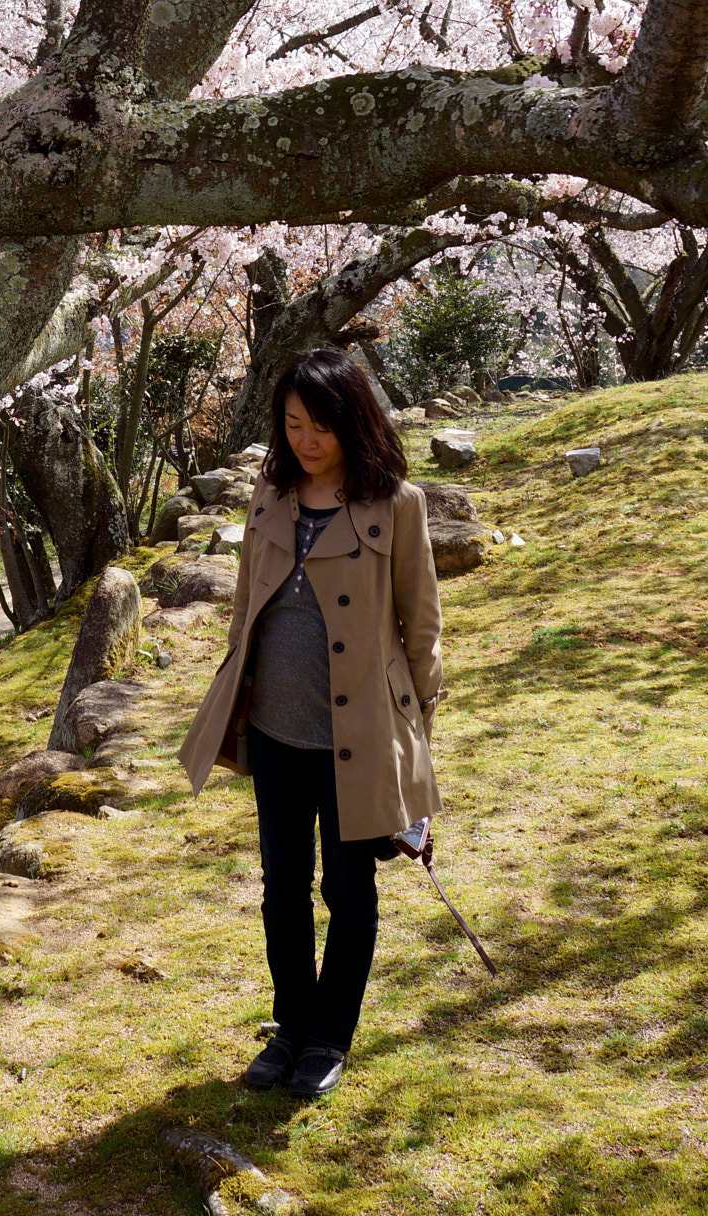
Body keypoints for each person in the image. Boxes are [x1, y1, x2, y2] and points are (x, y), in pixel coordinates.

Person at [178, 345, 442, 1099]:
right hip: (274, 727)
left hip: (357, 738)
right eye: (293, 423)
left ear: (352, 423)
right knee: (280, 886)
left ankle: (329, 1036)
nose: (306, 440)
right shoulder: (270, 493)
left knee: (348, 891)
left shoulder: (396, 502)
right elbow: (243, 609)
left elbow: (420, 630)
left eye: (321, 425)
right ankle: (291, 1023)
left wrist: (416, 747)